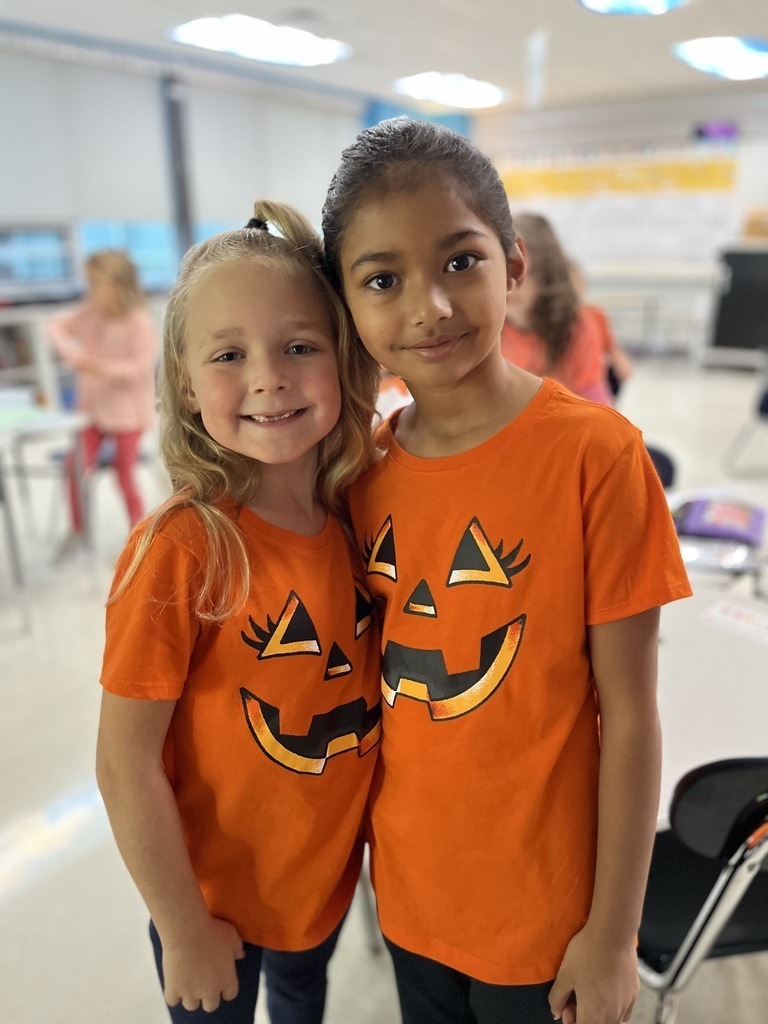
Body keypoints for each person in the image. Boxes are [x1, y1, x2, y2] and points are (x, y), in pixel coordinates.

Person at [322, 119, 692, 1024]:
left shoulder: (597, 456)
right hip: (412, 893)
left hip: (548, 911)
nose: (430, 307)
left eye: (460, 262)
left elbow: (631, 716)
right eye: (383, 280)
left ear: (514, 265)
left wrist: (613, 935)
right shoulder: (357, 471)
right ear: (347, 305)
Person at [95, 202, 382, 1024]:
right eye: (229, 354)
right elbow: (124, 763)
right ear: (186, 385)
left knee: (302, 1000)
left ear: (342, 358)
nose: (269, 377)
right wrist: (184, 927)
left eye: (300, 346)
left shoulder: (361, 517)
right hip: (208, 903)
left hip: (321, 883)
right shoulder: (181, 550)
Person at [45, 250, 159, 548]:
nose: (91, 290)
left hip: (128, 415)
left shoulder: (138, 322)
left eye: (96, 284)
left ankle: (138, 536)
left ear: (119, 286)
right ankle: (78, 532)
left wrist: (97, 366)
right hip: (92, 413)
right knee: (74, 467)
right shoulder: (87, 313)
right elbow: (52, 327)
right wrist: (74, 354)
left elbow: (140, 368)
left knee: (124, 475)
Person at [501, 213, 615, 407]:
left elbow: (597, 404)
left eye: (526, 273)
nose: (511, 285)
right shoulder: (487, 330)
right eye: (503, 271)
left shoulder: (576, 327)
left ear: (547, 277)